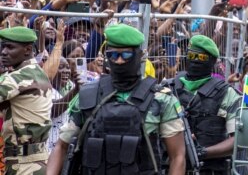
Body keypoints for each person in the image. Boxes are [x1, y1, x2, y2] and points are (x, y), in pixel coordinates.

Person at [47, 24, 186, 175]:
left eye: (126, 55)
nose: (119, 61)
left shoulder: (161, 99)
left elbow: (177, 156)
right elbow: (61, 146)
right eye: (113, 55)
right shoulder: (89, 95)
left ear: (140, 56)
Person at [167, 35, 244, 175]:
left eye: (202, 58)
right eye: (192, 55)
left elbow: (238, 139)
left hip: (210, 169)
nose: (196, 60)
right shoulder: (168, 88)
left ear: (213, 61)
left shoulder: (227, 93)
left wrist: (202, 152)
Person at [0, 27, 53, 175]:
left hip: (24, 165)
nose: (4, 52)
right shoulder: (37, 72)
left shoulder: (17, 78)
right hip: (36, 161)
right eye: (3, 46)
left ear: (28, 49)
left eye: (10, 47)